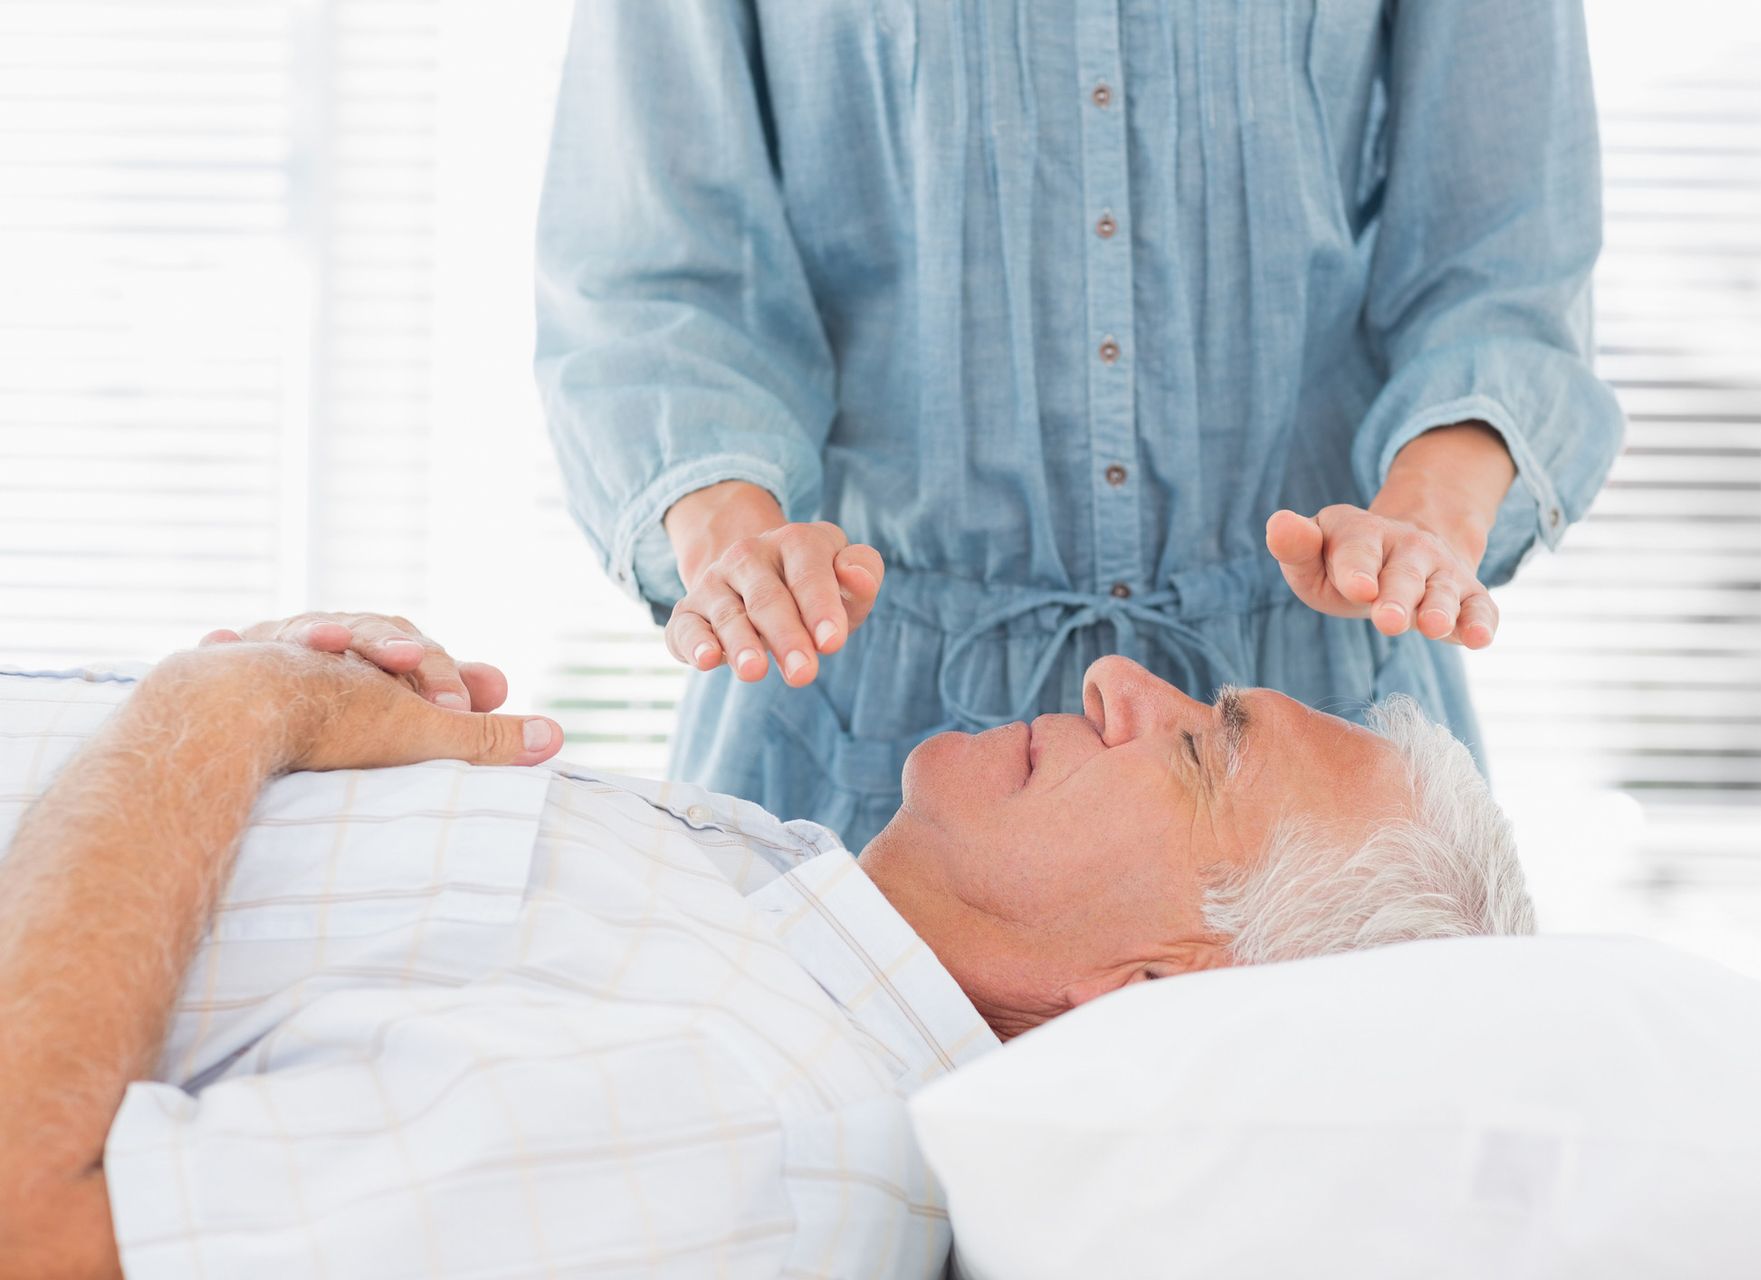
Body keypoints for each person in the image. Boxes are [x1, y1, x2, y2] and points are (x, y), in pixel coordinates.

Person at [0, 612, 1531, 1278]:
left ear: (1148, 995)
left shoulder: (739, 1155)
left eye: (1200, 753)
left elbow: (31, 1231)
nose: (1126, 676)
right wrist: (275, 736)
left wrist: (226, 720)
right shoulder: (782, 932)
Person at [535, 0, 1626, 850]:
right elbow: (657, 274)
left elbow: (1503, 268)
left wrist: (1427, 514)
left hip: (1311, 725)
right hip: (858, 727)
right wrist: (736, 540)